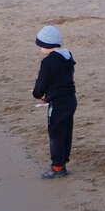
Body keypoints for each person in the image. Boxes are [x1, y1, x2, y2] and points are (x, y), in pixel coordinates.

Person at [31, 25, 77, 179]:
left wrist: (38, 94)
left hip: (58, 102)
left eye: (40, 45)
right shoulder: (67, 56)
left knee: (56, 133)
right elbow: (60, 79)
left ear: (46, 45)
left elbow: (42, 82)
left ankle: (57, 166)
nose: (39, 49)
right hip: (70, 99)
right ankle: (62, 163)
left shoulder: (49, 62)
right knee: (66, 131)